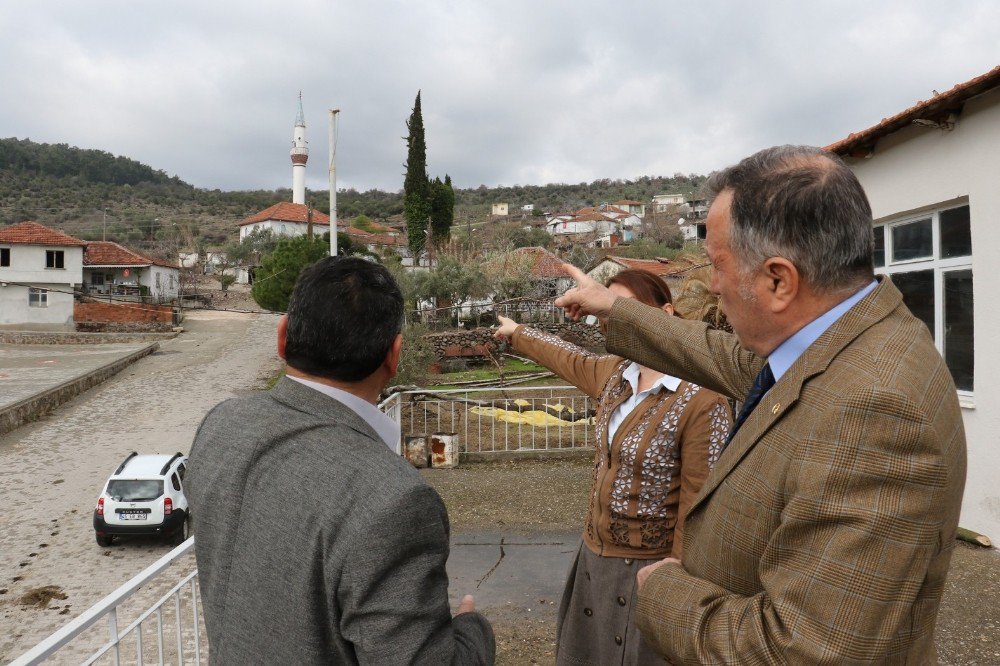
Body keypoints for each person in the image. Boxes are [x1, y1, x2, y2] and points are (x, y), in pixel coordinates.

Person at [554, 145, 967, 664]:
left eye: (717, 266)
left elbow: (801, 650)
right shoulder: (844, 342)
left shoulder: (875, 411)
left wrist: (660, 588)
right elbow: (720, 354)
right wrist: (617, 308)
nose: (713, 286)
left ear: (778, 280)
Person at [186, 256, 495, 665]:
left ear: (282, 339)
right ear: (394, 355)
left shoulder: (221, 425)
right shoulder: (393, 499)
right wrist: (475, 633)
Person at [495, 269, 731, 665]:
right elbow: (565, 356)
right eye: (607, 314)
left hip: (650, 571)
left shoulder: (703, 398)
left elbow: (700, 504)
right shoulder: (617, 374)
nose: (615, 321)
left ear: (666, 313)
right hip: (594, 559)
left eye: (626, 310)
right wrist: (517, 332)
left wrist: (674, 579)